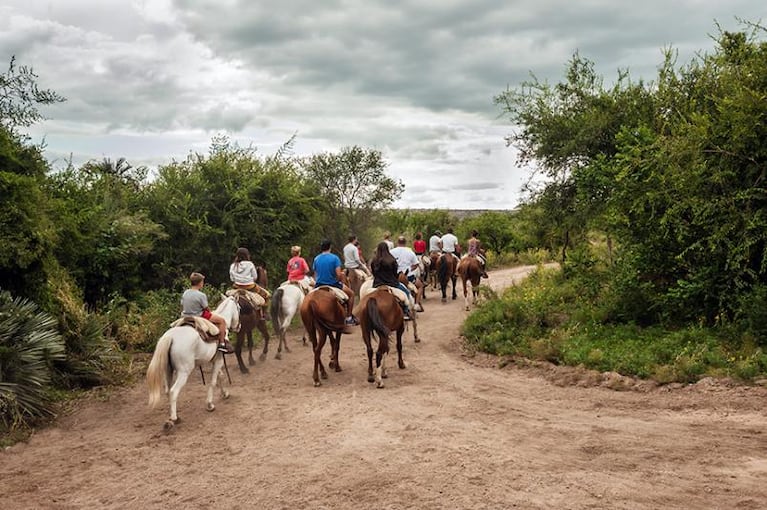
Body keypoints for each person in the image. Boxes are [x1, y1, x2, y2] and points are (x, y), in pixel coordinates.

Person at [181, 272, 233, 353]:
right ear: (199, 283)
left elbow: (182, 305)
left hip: (185, 316)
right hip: (198, 316)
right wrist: (210, 311)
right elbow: (206, 308)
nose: (203, 283)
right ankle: (222, 343)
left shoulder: (185, 293)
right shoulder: (201, 295)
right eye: (202, 282)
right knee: (222, 321)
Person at [313, 239, 358, 327]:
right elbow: (338, 274)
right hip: (332, 283)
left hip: (318, 284)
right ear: (330, 247)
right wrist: (339, 279)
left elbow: (315, 275)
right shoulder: (334, 258)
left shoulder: (316, 258)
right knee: (351, 294)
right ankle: (348, 318)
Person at [370, 242, 413, 320]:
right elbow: (395, 274)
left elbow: (373, 273)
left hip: (377, 284)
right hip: (392, 283)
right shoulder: (391, 260)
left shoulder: (374, 261)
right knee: (406, 292)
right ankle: (405, 312)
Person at [230, 247, 271, 317]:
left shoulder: (233, 265)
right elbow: (255, 277)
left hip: (236, 286)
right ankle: (264, 313)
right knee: (267, 295)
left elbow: (232, 278)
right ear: (247, 255)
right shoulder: (250, 264)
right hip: (250, 286)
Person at [390, 235, 424, 312]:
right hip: (408, 277)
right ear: (405, 243)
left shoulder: (391, 252)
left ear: (397, 242)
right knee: (420, 286)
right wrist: (410, 269)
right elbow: (416, 264)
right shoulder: (410, 252)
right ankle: (416, 304)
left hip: (395, 277)